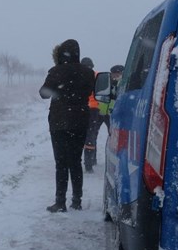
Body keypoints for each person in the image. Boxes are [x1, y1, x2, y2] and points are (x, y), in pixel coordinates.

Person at [39, 39, 95, 212]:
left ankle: (60, 202)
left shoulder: (56, 71)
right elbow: (90, 91)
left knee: (61, 163)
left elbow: (44, 94)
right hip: (80, 121)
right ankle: (77, 200)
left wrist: (58, 90)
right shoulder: (88, 72)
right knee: (76, 162)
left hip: (59, 122)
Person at [84, 63, 124, 172]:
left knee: (115, 136)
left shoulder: (123, 85)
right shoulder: (105, 82)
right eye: (113, 74)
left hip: (112, 114)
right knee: (92, 135)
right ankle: (92, 160)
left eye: (117, 74)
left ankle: (117, 160)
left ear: (122, 74)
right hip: (99, 112)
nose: (115, 76)